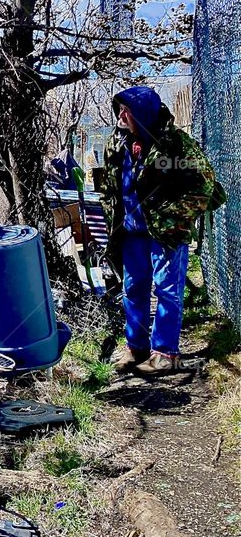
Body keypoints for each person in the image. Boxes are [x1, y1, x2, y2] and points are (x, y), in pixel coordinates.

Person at [102, 86, 217, 375]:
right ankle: (136, 348)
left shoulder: (174, 147)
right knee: (133, 289)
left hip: (166, 232)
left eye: (128, 109)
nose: (121, 114)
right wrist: (111, 217)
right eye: (120, 108)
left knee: (167, 291)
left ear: (143, 113)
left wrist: (174, 217)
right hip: (131, 233)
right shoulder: (117, 144)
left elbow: (204, 184)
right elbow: (109, 186)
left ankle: (165, 353)